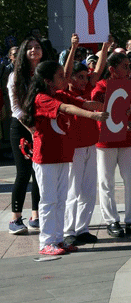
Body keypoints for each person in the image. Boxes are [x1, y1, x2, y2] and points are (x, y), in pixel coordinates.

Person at [20, 61, 107, 255]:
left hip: (61, 155)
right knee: (49, 201)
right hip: (45, 158)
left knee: (60, 199)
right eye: (60, 76)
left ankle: (58, 240)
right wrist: (92, 116)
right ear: (48, 81)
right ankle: (46, 242)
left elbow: (79, 102)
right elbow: (67, 109)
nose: (65, 79)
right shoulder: (42, 98)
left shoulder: (57, 94)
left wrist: (93, 105)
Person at [61, 35, 110, 246]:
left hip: (91, 144)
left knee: (89, 190)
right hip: (74, 148)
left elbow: (97, 70)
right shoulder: (64, 93)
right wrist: (73, 47)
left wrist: (105, 47)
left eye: (84, 76)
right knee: (73, 190)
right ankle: (68, 230)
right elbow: (64, 73)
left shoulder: (88, 89)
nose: (83, 80)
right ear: (70, 79)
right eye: (78, 77)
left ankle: (82, 228)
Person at [93, 52, 131, 237]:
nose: (129, 70)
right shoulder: (100, 87)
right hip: (106, 141)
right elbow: (99, 112)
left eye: (129, 66)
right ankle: (111, 220)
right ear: (112, 69)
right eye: (125, 66)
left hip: (128, 139)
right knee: (107, 182)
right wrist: (122, 116)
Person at [7, 37, 45, 235]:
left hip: (41, 126)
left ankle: (36, 215)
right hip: (21, 127)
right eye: (29, 48)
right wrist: (30, 127)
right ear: (23, 52)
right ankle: (15, 218)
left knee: (38, 172)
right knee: (23, 172)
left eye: (37, 47)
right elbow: (15, 108)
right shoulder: (15, 76)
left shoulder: (44, 74)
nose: (33, 50)